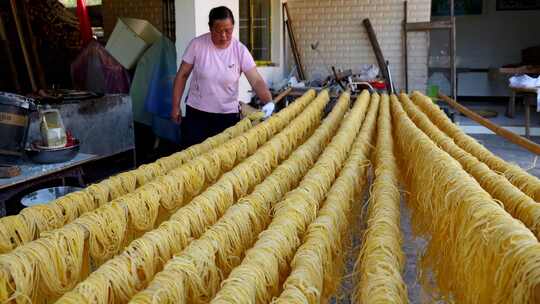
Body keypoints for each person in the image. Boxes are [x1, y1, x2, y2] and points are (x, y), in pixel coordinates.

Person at [171, 6, 274, 149]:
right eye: (219, 31)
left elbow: (256, 80)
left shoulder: (240, 50)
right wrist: (175, 106)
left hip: (227, 116)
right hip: (197, 115)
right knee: (194, 159)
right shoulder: (197, 45)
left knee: (223, 158)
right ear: (210, 28)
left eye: (228, 31)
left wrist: (268, 102)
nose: (224, 36)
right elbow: (182, 75)